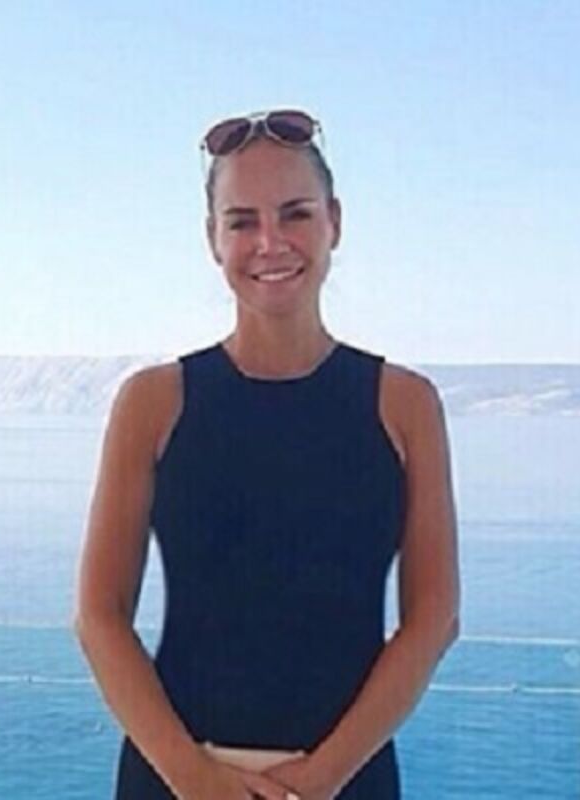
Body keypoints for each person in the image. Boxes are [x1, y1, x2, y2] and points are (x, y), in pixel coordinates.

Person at [74, 108, 461, 799]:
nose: (270, 242)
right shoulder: (153, 403)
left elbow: (434, 618)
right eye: (242, 221)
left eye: (295, 214)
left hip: (347, 783)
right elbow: (100, 616)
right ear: (213, 238)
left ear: (334, 221)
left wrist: (320, 779)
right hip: (174, 784)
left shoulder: (404, 405)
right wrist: (193, 778)